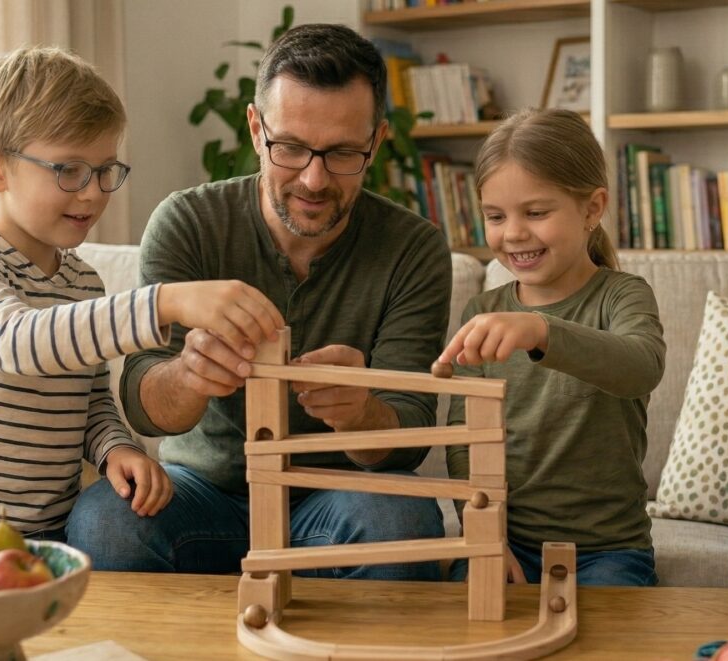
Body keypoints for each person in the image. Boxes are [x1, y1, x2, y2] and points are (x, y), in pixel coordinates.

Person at [67, 25, 452, 579]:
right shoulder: (189, 223)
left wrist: (363, 413)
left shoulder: (414, 248)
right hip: (205, 494)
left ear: (377, 140)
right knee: (106, 521)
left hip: (341, 495)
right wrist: (189, 375)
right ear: (255, 128)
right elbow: (141, 402)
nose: (314, 179)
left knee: (400, 519)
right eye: (290, 148)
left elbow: (411, 435)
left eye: (343, 152)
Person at [0, 46, 284, 545]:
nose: (95, 193)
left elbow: (90, 401)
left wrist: (115, 449)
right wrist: (166, 302)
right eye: (69, 171)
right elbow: (18, 342)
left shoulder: (82, 282)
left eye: (105, 170)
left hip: (46, 537)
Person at [439, 108, 665, 586]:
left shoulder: (622, 295)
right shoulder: (481, 311)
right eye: (496, 216)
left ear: (591, 208)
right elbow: (465, 439)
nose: (514, 233)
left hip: (608, 552)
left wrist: (541, 331)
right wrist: (484, 537)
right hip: (506, 543)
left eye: (536, 212)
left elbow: (641, 366)